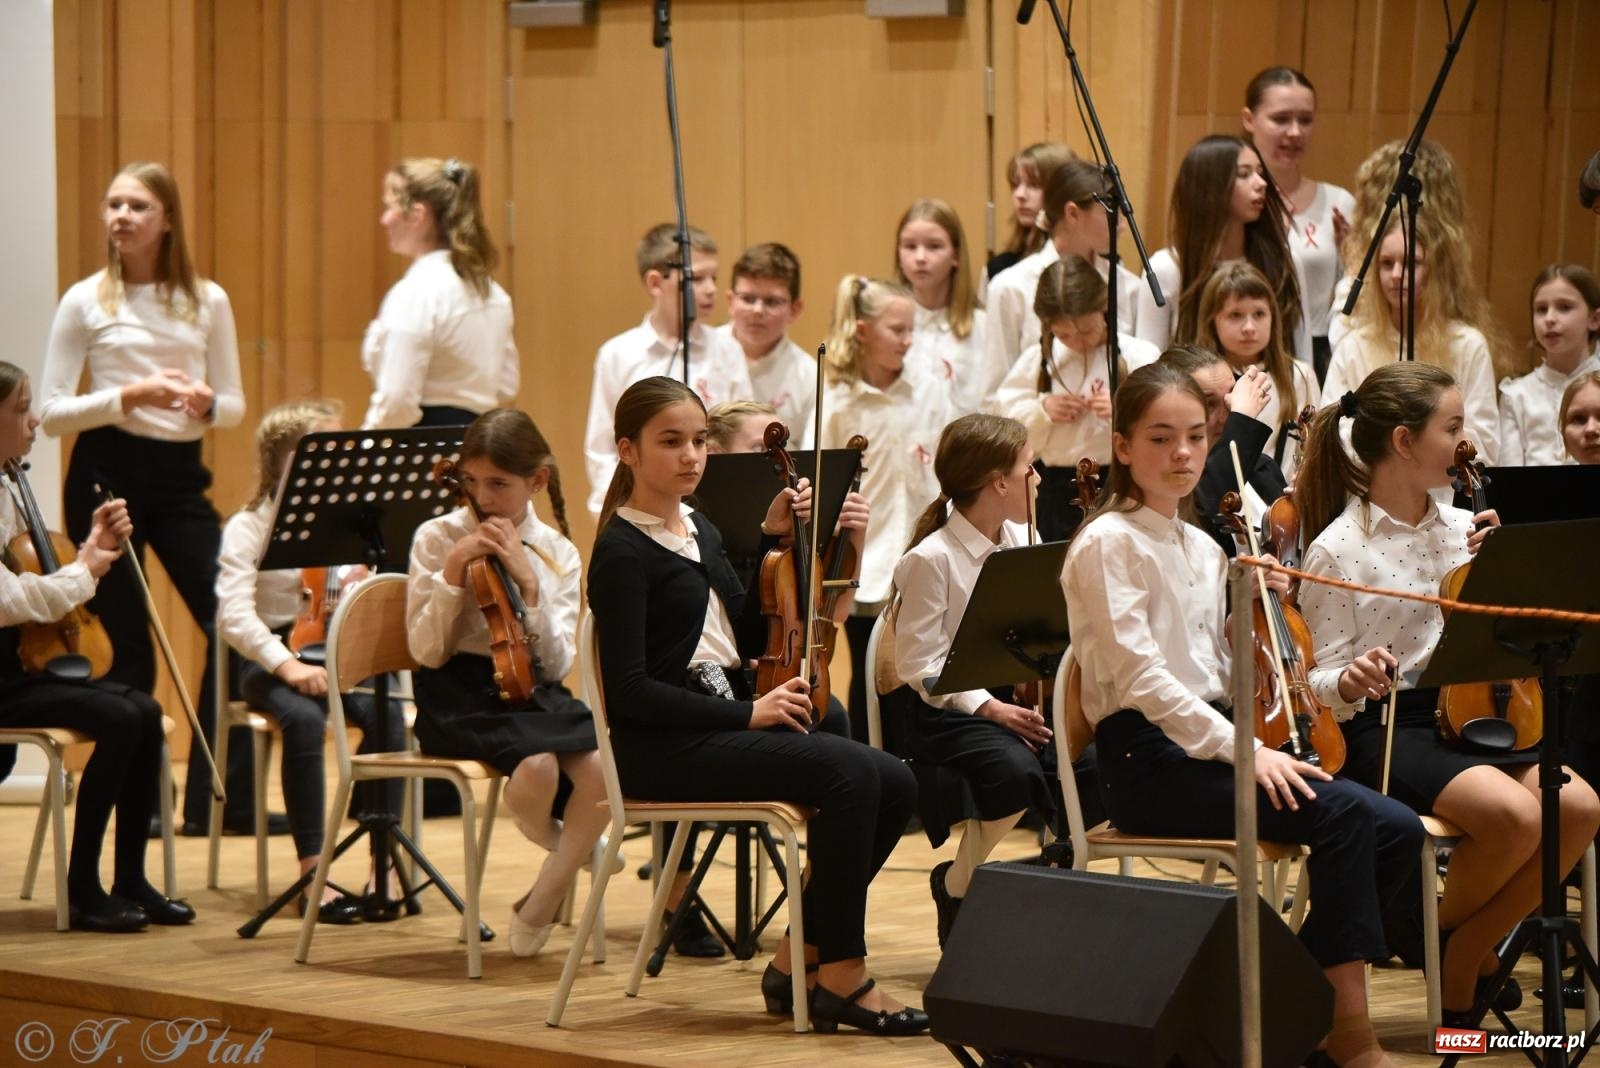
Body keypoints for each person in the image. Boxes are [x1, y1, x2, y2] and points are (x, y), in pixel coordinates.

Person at [1062, 361, 1422, 1068]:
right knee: (1347, 817)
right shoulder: (1107, 543)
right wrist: (1248, 751)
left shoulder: (1203, 546)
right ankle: (1345, 1032)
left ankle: (1289, 1006)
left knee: (1397, 829)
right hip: (1148, 763)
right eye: (1160, 438)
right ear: (1123, 447)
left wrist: (1254, 614)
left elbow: (1222, 671)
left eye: (1196, 436)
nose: (1183, 453)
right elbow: (1144, 679)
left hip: (1209, 743)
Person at [587, 376, 925, 1035]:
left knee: (895, 781)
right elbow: (629, 693)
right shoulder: (621, 551)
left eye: (698, 441)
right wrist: (749, 714)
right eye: (671, 442)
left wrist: (775, 542)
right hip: (660, 748)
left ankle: (798, 956)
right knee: (850, 775)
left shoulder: (699, 529)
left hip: (711, 720)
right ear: (627, 451)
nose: (691, 455)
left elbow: (746, 639)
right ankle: (843, 976)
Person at [1295, 362, 1600, 1025]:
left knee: (1578, 806)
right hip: (1388, 726)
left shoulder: (1465, 528)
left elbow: (1501, 639)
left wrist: (1504, 571)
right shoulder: (1337, 548)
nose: (1468, 443)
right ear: (1404, 441)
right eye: (1453, 427)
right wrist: (1347, 679)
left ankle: (1452, 938)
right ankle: (1448, 952)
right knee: (1514, 817)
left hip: (1476, 714)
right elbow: (1315, 682)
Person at [39, 161, 255, 837]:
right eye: (114, 205)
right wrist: (130, 395)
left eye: (137, 206)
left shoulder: (208, 299)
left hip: (180, 475)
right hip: (106, 472)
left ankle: (220, 802)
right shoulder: (84, 299)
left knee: (232, 623)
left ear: (167, 220)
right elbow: (51, 412)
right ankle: (146, 800)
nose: (121, 217)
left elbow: (234, 405)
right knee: (129, 646)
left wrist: (207, 403)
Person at [0, 360, 196, 932]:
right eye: (21, 410)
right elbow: (10, 600)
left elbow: (36, 575)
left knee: (145, 709)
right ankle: (83, 887)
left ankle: (130, 877)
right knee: (118, 717)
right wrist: (85, 569)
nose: (35, 421)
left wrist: (91, 548)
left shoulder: (8, 487)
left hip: (19, 667)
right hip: (3, 678)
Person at [407, 408, 609, 957]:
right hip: (455, 692)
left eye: (499, 484)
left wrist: (530, 585)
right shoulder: (437, 537)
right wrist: (452, 574)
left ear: (537, 481)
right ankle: (576, 849)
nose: (482, 497)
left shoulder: (556, 551)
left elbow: (556, 666)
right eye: (472, 481)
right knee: (538, 766)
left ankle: (539, 902)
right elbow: (425, 651)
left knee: (601, 767)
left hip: (531, 687)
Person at [216, 400, 402, 925]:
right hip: (272, 657)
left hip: (340, 651)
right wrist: (286, 665)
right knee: (302, 719)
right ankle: (314, 873)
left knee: (388, 717)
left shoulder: (352, 524)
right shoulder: (248, 526)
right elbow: (233, 616)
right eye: (324, 447)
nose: (339, 457)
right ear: (282, 459)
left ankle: (382, 864)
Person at [889, 413, 1058, 948]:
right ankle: (957, 885)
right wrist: (990, 708)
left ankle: (1062, 889)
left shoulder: (1024, 537)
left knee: (1090, 765)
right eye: (1029, 468)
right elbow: (919, 665)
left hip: (1011, 702)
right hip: (947, 714)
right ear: (999, 482)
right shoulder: (930, 559)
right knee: (1015, 770)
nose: (1039, 479)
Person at [819, 276, 947, 739]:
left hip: (920, 551)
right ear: (862, 331)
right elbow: (821, 478)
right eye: (897, 330)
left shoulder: (929, 389)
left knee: (917, 672)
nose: (907, 340)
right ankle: (870, 761)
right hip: (864, 560)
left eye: (912, 330)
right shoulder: (837, 399)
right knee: (869, 672)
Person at [583, 223, 754, 517]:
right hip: (641, 510)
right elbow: (602, 449)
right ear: (655, 283)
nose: (711, 289)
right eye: (696, 278)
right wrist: (614, 512)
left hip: (717, 508)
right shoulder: (618, 354)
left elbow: (743, 435)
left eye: (714, 278)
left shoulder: (727, 350)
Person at [994, 256, 1158, 540]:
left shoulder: (1139, 356)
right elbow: (1003, 420)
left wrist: (1124, 410)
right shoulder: (1039, 361)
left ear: (1103, 308)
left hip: (1121, 483)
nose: (1078, 341)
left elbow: (1163, 417)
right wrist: (1042, 409)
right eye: (1064, 334)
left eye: (1087, 330)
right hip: (1056, 490)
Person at [1324, 213, 1500, 464]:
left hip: (1444, 483)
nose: (1396, 274)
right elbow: (1332, 431)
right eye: (1387, 264)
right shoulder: (1352, 346)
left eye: (1410, 263)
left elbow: (1484, 443)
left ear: (1434, 270)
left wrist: (1421, 452)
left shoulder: (1468, 345)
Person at [361, 157, 519, 430]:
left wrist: (365, 444)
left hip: (422, 445)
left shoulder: (416, 292)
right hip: (477, 443)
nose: (384, 219)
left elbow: (397, 402)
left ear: (417, 215)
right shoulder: (493, 293)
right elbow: (506, 385)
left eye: (390, 207)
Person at [1134, 135, 1307, 364]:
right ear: (1209, 186)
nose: (1261, 183)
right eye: (1244, 174)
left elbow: (1302, 357)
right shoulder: (1165, 268)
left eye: (1260, 173)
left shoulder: (1284, 262)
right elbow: (1146, 364)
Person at [987, 159, 1144, 397]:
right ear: (1072, 213)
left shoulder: (1128, 286)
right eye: (1112, 213)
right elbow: (994, 393)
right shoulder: (1010, 287)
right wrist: (1041, 407)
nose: (1122, 225)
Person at [1240, 66, 1356, 383]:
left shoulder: (1339, 202)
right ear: (1249, 119)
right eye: (1281, 119)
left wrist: (1351, 259)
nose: (1295, 132)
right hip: (1244, 349)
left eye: (1305, 120)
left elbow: (1353, 293)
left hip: (1320, 354)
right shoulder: (1236, 202)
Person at [1195, 259, 1321, 476]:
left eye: (1259, 314)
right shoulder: (1199, 379)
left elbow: (1313, 449)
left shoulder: (1300, 375)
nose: (1249, 327)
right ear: (1212, 321)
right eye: (1235, 315)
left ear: (1273, 318)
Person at [1157, 344, 1284, 557]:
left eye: (1232, 398)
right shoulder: (1166, 484)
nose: (1228, 416)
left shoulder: (1262, 467)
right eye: (1209, 404)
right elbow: (1208, 500)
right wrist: (1242, 420)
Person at [894, 199, 991, 416]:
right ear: (898, 255)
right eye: (910, 246)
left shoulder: (983, 327)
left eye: (934, 246)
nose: (920, 258)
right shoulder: (886, 328)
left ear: (956, 255)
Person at [714, 243, 816, 446]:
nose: (758, 310)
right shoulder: (698, 354)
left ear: (795, 309)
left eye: (772, 302)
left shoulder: (809, 375)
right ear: (730, 301)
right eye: (748, 299)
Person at [1498, 264, 1600, 465]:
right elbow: (1509, 474)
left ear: (1594, 319)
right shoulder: (1516, 395)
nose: (1550, 319)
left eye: (1564, 307)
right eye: (1541, 309)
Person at [984, 141, 1075, 288]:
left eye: (1033, 185)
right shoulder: (999, 268)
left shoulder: (1094, 264)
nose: (1020, 195)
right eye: (1015, 185)